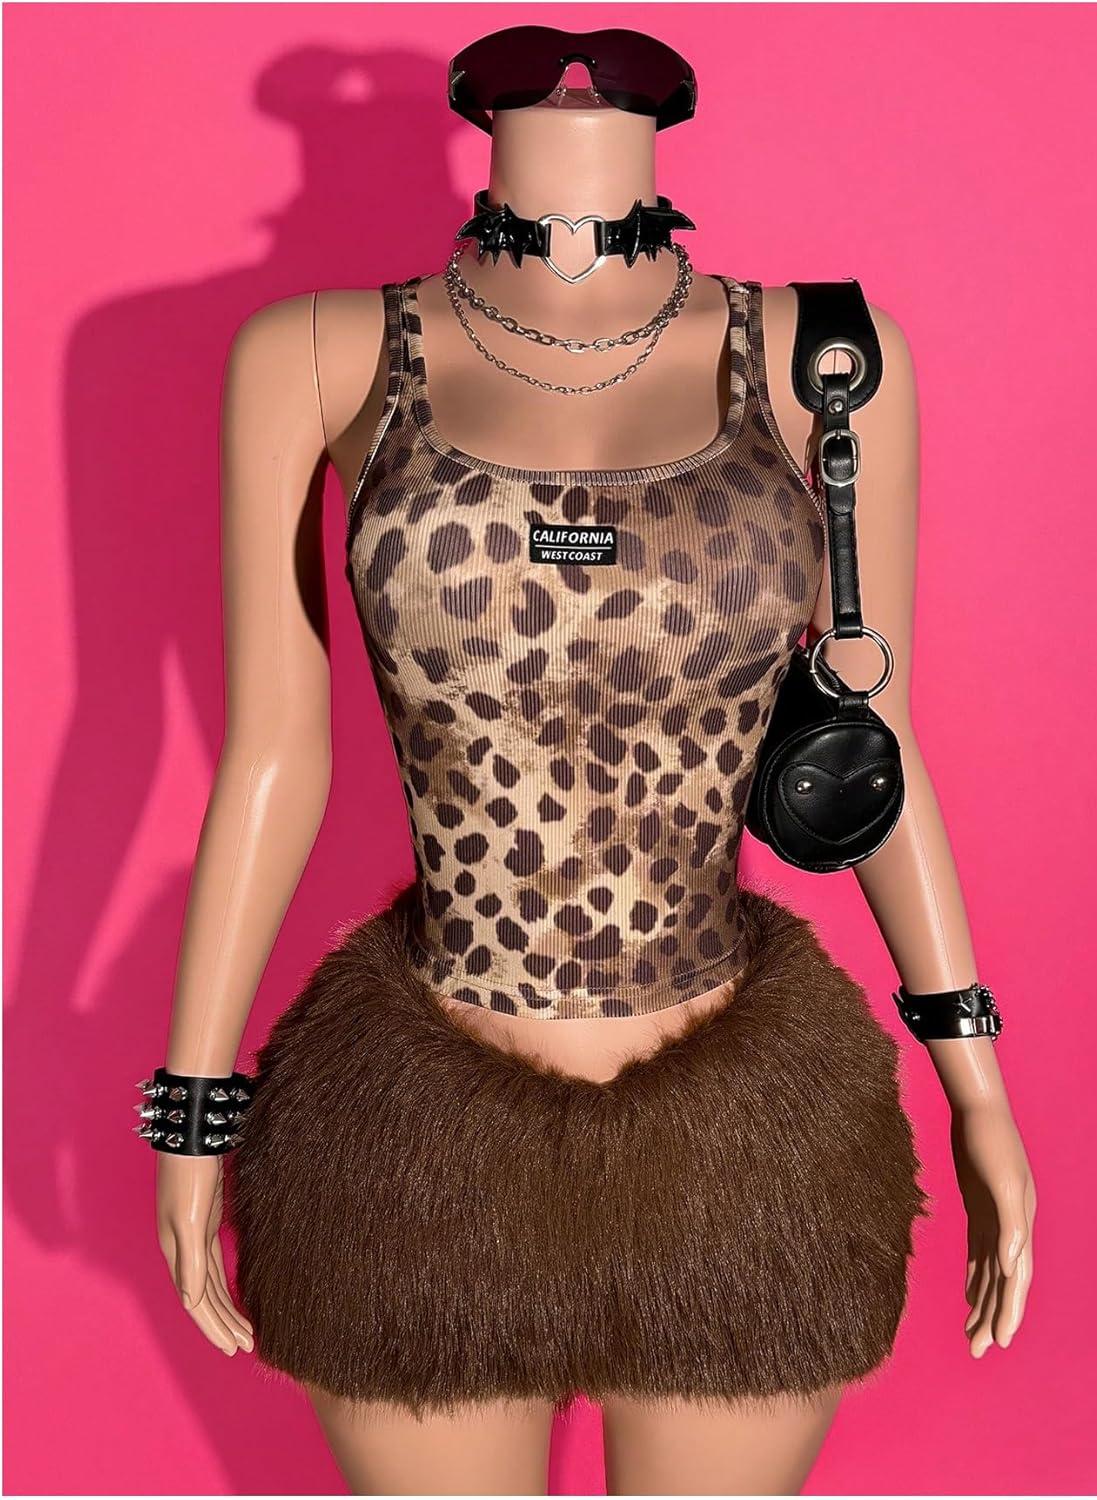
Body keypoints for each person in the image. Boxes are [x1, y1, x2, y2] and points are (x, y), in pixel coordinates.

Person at [140, 27, 1036, 1495]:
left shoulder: (827, 361)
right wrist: (193, 1109)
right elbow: (272, 759)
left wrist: (975, 1079)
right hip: (411, 1155)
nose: (570, 84)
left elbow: (874, 744)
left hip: (743, 1152)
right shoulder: (316, 352)